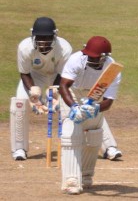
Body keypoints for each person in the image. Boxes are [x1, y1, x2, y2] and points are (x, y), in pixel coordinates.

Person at [10, 17, 122, 161]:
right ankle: (19, 148)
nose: (43, 42)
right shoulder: (24, 47)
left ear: (54, 36)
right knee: (19, 103)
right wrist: (33, 92)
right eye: (40, 38)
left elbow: (64, 77)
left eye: (47, 38)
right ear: (33, 36)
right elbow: (24, 73)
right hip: (35, 76)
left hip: (59, 77)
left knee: (87, 108)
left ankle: (109, 147)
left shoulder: (64, 48)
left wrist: (56, 94)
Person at [59, 36, 122, 194]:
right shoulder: (76, 59)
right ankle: (71, 180)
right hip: (73, 93)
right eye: (90, 56)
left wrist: (94, 109)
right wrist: (74, 107)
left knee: (94, 136)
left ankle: (86, 175)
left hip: (95, 98)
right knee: (71, 133)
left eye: (95, 58)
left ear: (104, 57)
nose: (91, 59)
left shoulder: (112, 69)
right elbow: (64, 86)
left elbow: (108, 102)